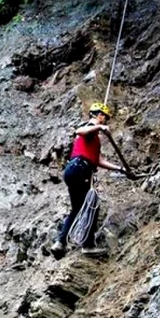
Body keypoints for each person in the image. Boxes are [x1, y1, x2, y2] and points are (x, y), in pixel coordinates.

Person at [50, 102, 128, 257]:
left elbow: (98, 160)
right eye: (104, 118)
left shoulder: (93, 138)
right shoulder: (89, 128)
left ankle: (60, 242)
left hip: (73, 170)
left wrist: (120, 169)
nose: (105, 121)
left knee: (77, 208)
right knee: (92, 205)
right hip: (81, 168)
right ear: (99, 115)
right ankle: (88, 245)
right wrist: (99, 127)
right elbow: (80, 130)